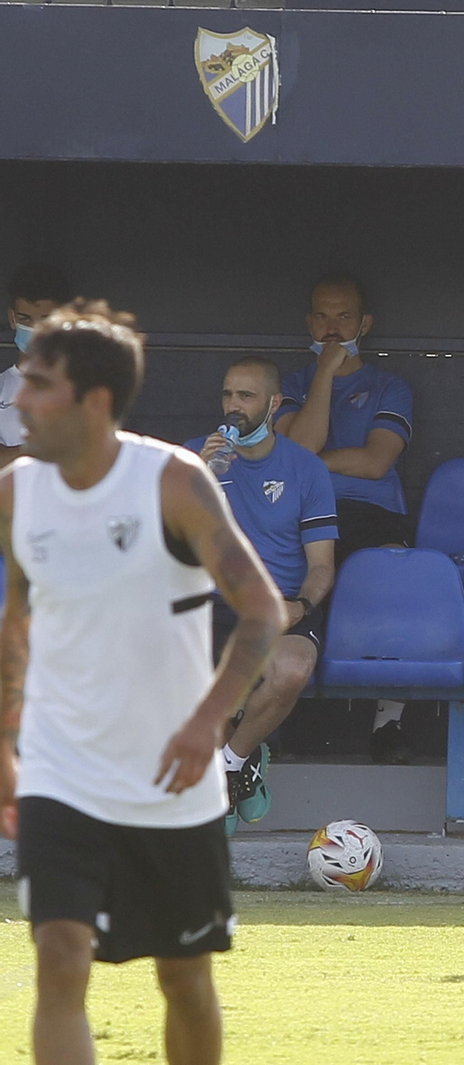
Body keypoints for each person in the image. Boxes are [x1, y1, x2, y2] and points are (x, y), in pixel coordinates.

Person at [0, 301, 287, 1065]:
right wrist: (5, 747)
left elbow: (263, 612)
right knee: (60, 962)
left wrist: (207, 723)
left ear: (94, 401)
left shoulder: (172, 482)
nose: (19, 399)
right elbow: (17, 623)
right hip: (60, 772)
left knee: (184, 980)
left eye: (38, 384)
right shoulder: (17, 492)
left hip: (170, 780)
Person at [188, 356, 339, 832]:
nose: (233, 406)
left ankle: (230, 765)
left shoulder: (306, 468)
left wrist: (300, 606)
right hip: (211, 603)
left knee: (291, 669)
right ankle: (234, 773)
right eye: (228, 394)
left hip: (280, 603)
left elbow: (321, 565)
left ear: (274, 404)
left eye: (246, 396)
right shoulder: (193, 458)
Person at [274, 273, 414, 764]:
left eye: (344, 316)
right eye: (322, 316)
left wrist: (310, 461)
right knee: (275, 574)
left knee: (395, 576)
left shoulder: (389, 386)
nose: (332, 328)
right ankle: (271, 718)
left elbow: (375, 462)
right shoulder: (291, 385)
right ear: (309, 323)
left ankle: (389, 723)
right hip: (304, 512)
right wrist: (324, 375)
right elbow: (300, 445)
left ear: (365, 324)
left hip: (372, 513)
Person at [4, 264, 73, 469]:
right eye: (25, 319)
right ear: (12, 318)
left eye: (45, 320)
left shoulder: (81, 384)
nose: (34, 328)